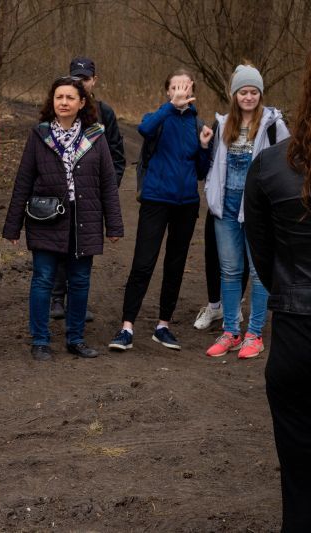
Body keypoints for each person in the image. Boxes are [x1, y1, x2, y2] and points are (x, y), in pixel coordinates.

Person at [3, 76, 123, 361]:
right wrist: (13, 225)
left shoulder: (95, 137)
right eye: (59, 97)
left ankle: (76, 339)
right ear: (52, 102)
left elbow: (108, 183)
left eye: (70, 97)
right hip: (46, 219)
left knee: (79, 281)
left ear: (82, 103)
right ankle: (40, 340)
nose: (64, 102)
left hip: (85, 219)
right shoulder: (39, 135)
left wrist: (114, 225)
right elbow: (23, 181)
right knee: (43, 279)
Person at [244, 52, 311, 532]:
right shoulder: (269, 166)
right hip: (294, 327)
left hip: (295, 335)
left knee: (300, 481)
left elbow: (265, 260)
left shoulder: (268, 166)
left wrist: (289, 295)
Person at [108, 68, 213, 352]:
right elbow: (144, 130)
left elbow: (201, 171)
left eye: (185, 86)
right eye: (175, 87)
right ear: (168, 91)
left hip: (186, 205)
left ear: (193, 91)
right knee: (143, 263)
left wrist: (205, 147)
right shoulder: (156, 117)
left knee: (175, 266)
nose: (180, 91)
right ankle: (126, 327)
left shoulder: (198, 124)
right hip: (155, 200)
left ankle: (163, 326)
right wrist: (170, 108)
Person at [204, 65, 290, 358]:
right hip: (226, 207)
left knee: (258, 270)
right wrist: (211, 193)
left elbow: (286, 163)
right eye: (243, 92)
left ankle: (254, 334)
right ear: (234, 95)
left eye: (254, 92)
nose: (249, 97)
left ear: (260, 94)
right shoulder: (222, 124)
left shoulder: (273, 124)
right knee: (230, 271)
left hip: (258, 208)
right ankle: (230, 331)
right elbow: (212, 164)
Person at [50, 56, 126, 321]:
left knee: (83, 251)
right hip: (61, 195)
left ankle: (77, 302)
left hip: (91, 197)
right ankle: (56, 298)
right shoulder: (60, 109)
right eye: (76, 78)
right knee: (59, 247)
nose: (81, 83)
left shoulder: (105, 113)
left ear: (94, 81)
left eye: (85, 78)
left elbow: (117, 156)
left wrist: (107, 190)